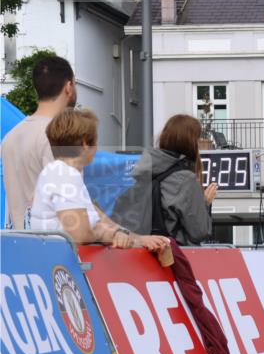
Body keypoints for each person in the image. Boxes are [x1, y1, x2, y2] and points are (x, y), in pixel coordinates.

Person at [28, 108, 169, 255]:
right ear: (84, 144)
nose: (97, 147)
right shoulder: (64, 174)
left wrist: (139, 239)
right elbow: (80, 235)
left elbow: (102, 220)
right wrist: (108, 235)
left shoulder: (63, 172)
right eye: (95, 141)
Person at [112, 114, 216, 245]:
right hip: (168, 255)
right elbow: (199, 232)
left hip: (138, 251)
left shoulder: (141, 172)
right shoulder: (186, 179)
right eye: (198, 140)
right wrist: (205, 203)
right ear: (190, 142)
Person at [2, 55, 76, 229]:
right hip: (53, 247)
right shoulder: (59, 136)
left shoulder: (10, 138)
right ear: (68, 87)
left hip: (18, 246)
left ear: (37, 91)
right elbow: (70, 204)